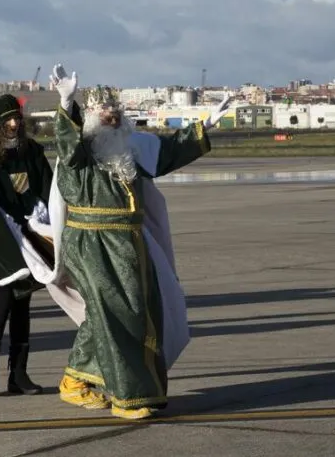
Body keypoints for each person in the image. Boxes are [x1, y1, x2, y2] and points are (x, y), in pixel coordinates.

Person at [43, 64, 235, 419]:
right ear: (90, 118)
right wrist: (67, 101)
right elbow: (67, 145)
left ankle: (74, 381)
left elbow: (164, 151)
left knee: (125, 314)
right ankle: (128, 398)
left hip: (129, 242)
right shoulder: (79, 155)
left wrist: (204, 124)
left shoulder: (127, 152)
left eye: (116, 112)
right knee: (121, 316)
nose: (112, 117)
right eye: (105, 112)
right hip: (93, 244)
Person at [0, 94, 55, 396]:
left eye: (17, 118)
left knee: (22, 306)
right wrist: (5, 233)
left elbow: (48, 189)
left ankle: (19, 375)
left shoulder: (31, 151)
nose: (15, 124)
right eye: (8, 120)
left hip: (30, 237)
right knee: (0, 304)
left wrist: (45, 222)